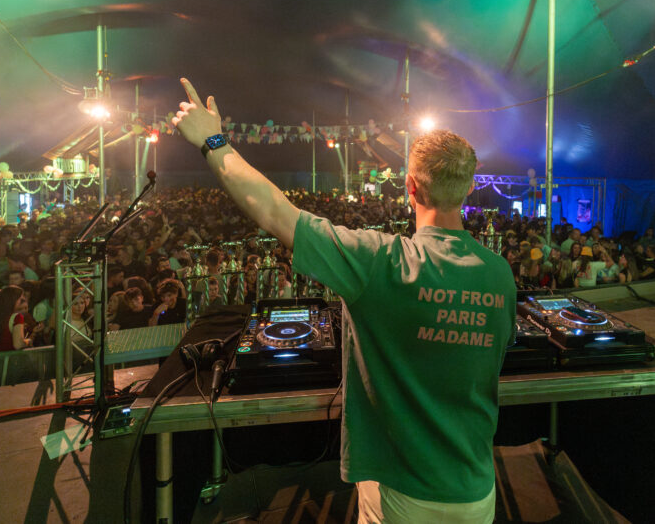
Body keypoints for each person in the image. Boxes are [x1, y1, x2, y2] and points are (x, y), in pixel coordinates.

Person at [173, 77, 515, 524]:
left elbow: (274, 211)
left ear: (410, 187)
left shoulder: (379, 261)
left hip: (401, 492)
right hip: (477, 490)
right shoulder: (499, 273)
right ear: (469, 187)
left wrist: (213, 142)